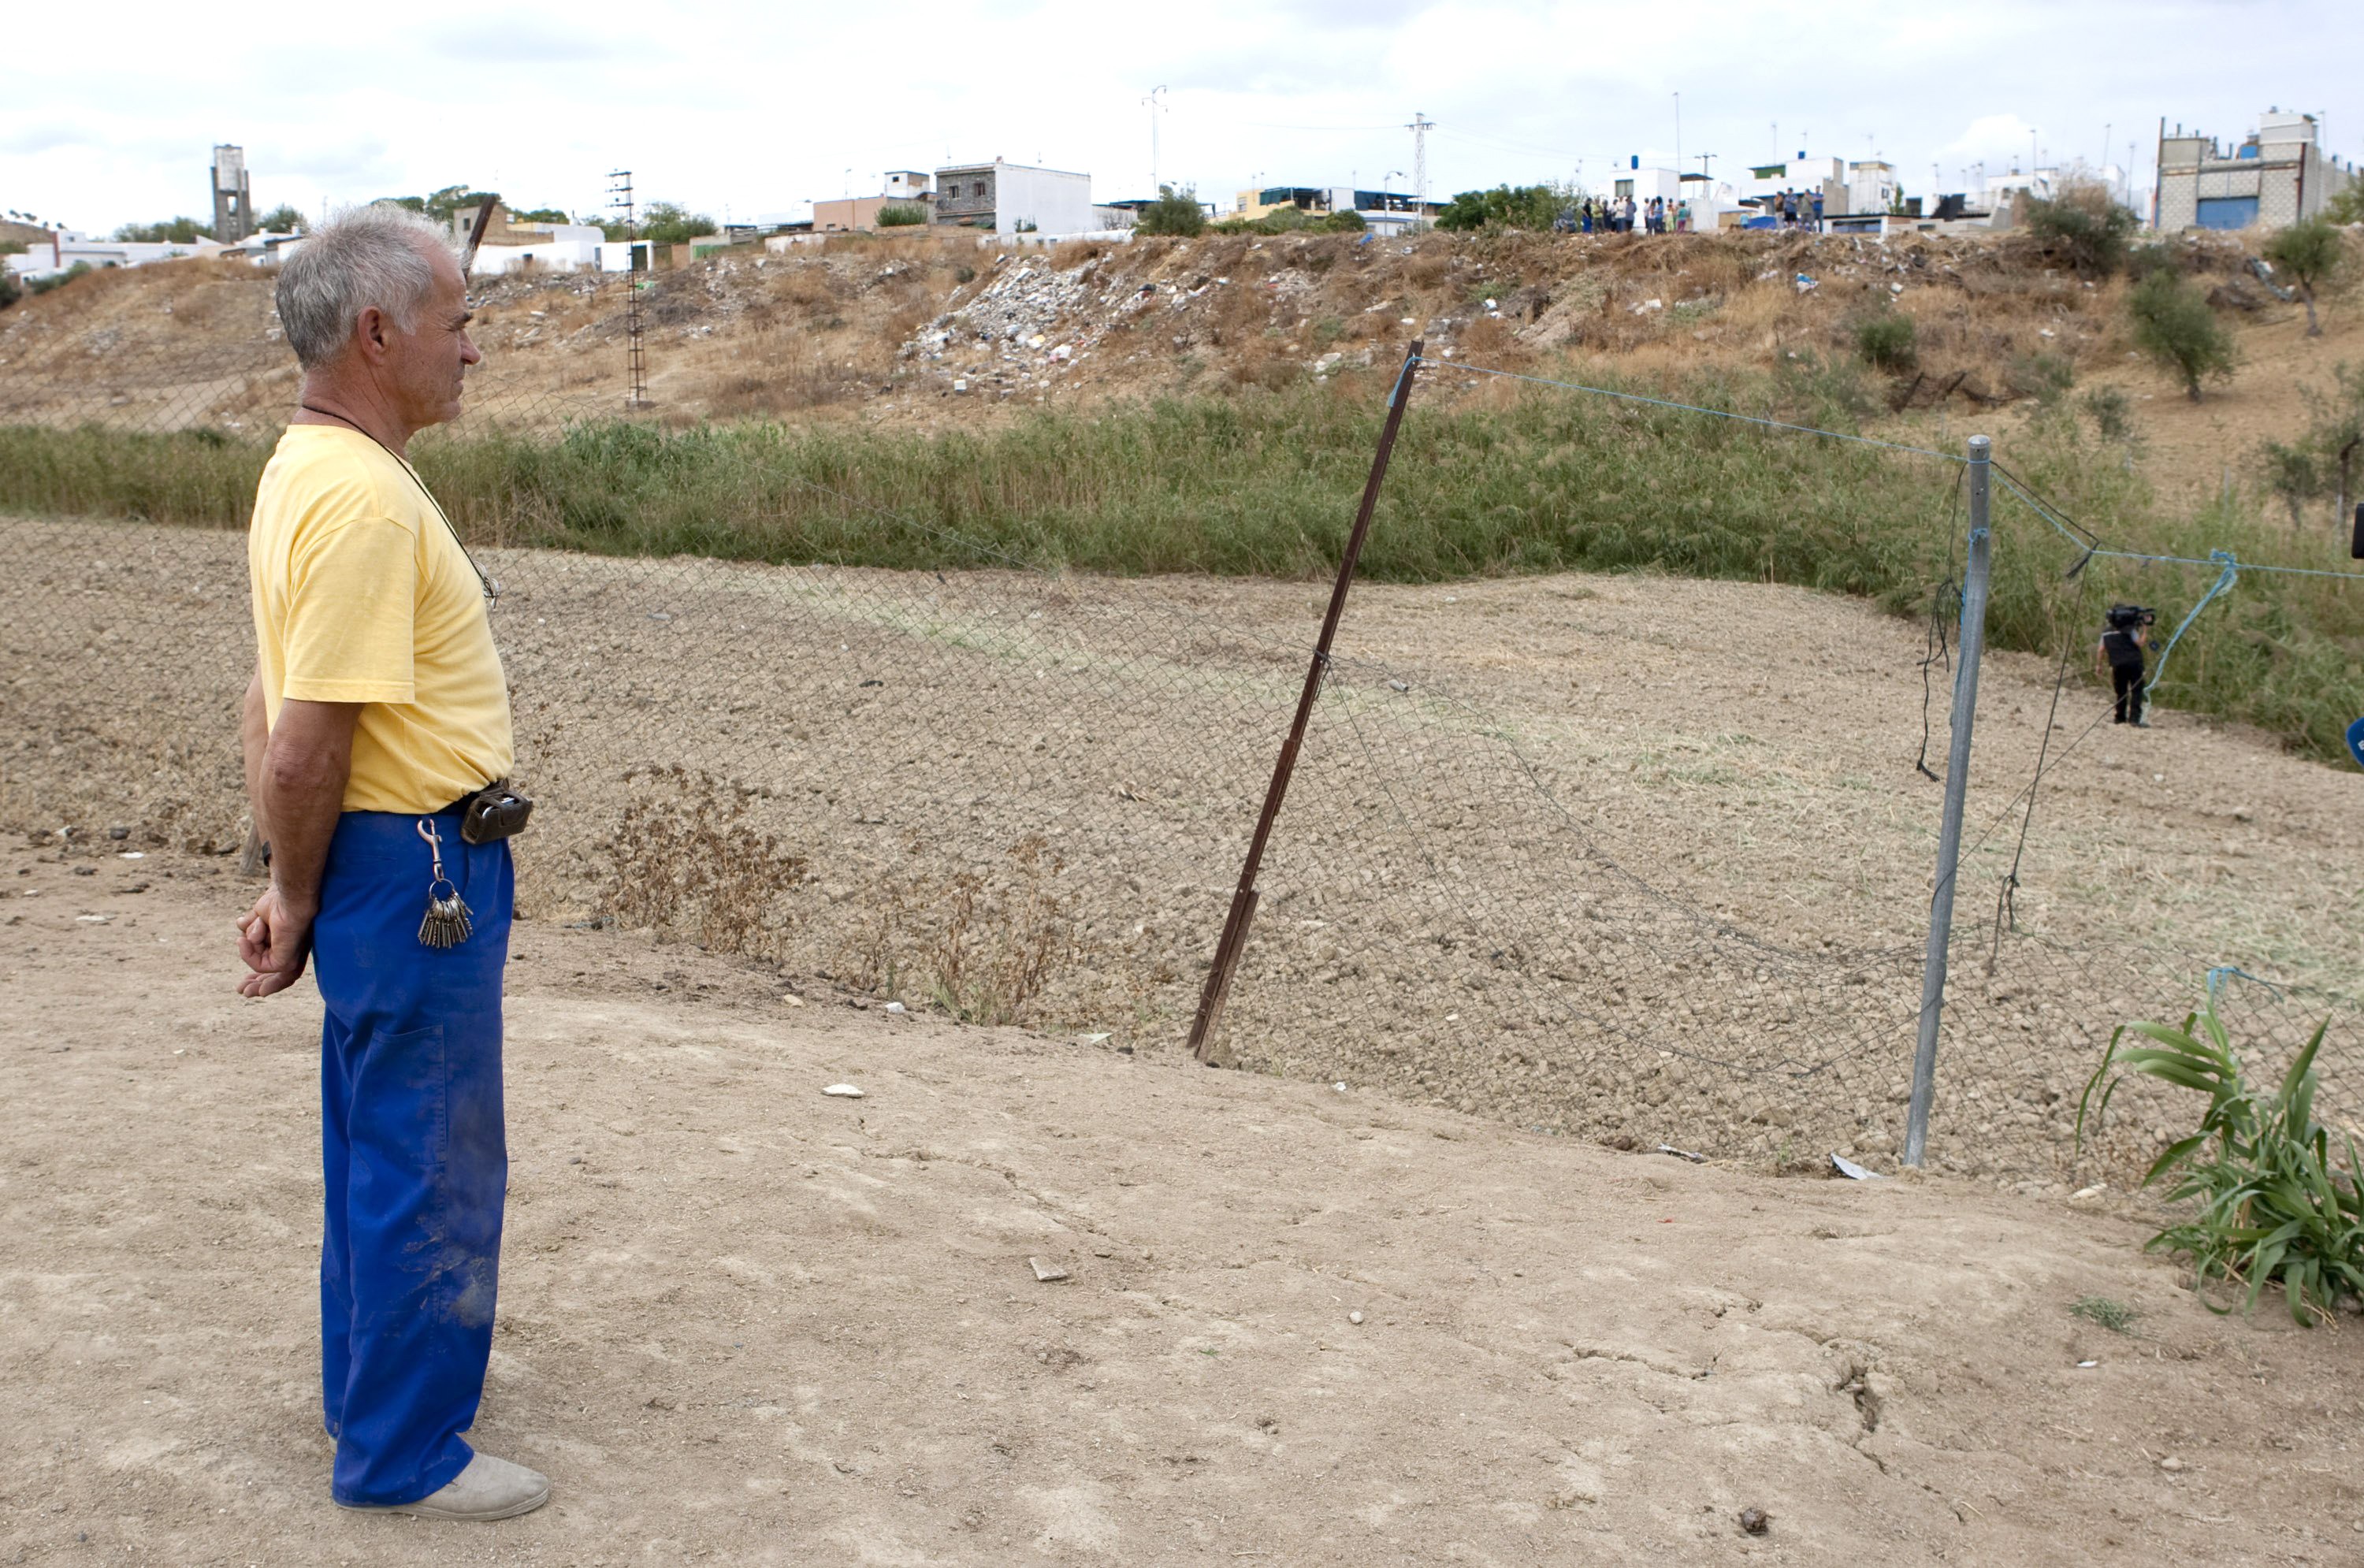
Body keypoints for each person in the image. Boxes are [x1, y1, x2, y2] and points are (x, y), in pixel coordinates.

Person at [239, 203, 549, 1522]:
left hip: (378, 867)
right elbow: (307, 745)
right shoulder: (364, 503)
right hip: (417, 870)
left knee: (381, 1140)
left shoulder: (304, 469)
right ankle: (405, 1456)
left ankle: (372, 1395)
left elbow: (269, 700)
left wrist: (284, 879)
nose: (471, 351)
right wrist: (296, 888)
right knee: (430, 1157)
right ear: (379, 333)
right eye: (458, 323)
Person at [2095, 604, 2152, 726]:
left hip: (2117, 664)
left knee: (2121, 691)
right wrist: (2145, 630)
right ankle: (2134, 719)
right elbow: (2140, 643)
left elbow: (2101, 650)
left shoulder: (2106, 633)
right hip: (2134, 663)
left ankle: (2120, 717)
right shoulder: (2130, 630)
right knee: (2136, 690)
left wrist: (2098, 666)